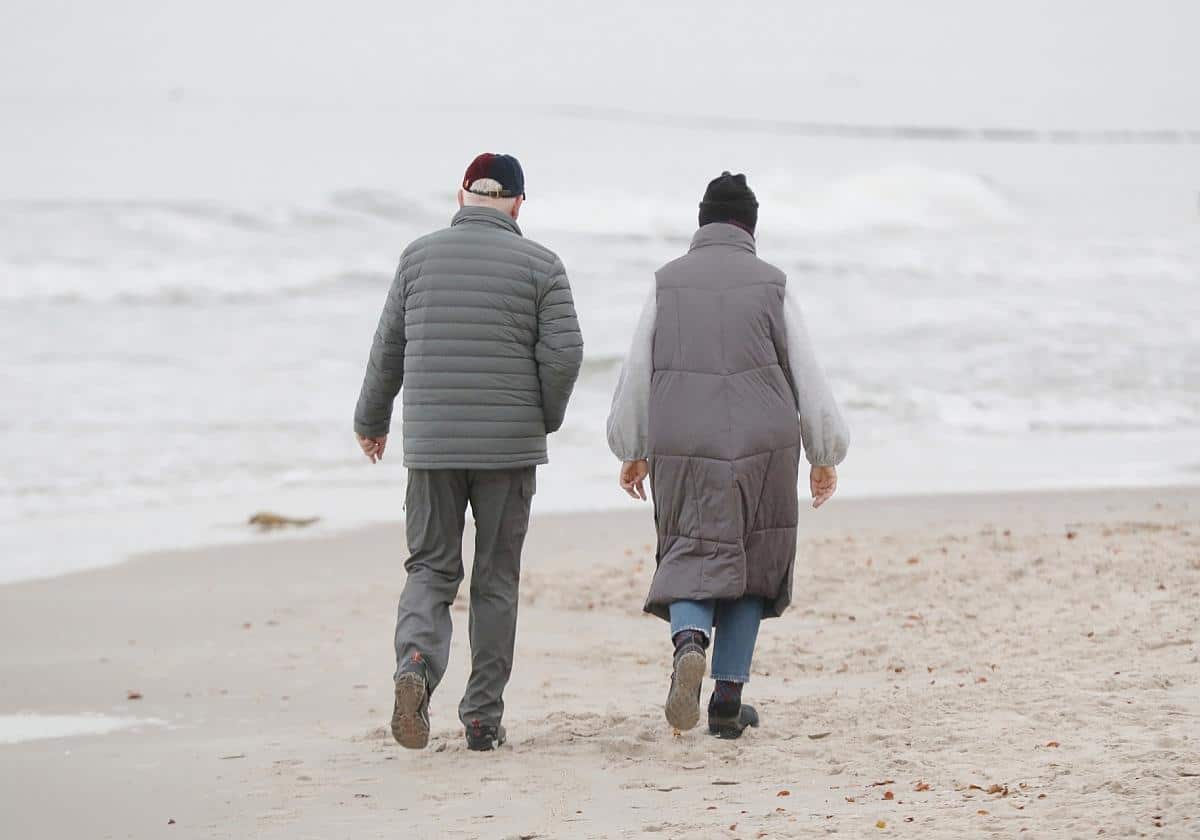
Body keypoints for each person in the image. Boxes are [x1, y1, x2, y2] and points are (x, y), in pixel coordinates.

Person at [606, 172, 848, 738]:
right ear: (751, 227)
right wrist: (824, 453)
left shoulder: (666, 282)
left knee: (690, 549)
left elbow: (637, 366)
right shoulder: (773, 284)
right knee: (753, 560)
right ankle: (726, 701)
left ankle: (690, 642)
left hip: (683, 438)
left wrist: (631, 446)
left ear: (702, 222)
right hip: (764, 441)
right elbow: (806, 369)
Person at [354, 153, 583, 751]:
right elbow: (565, 354)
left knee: (430, 568)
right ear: (518, 204)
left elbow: (388, 347)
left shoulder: (417, 257)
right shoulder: (543, 265)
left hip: (433, 447)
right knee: (495, 577)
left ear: (461, 195)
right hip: (508, 450)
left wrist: (371, 421)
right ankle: (481, 719)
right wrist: (542, 418)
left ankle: (415, 664)